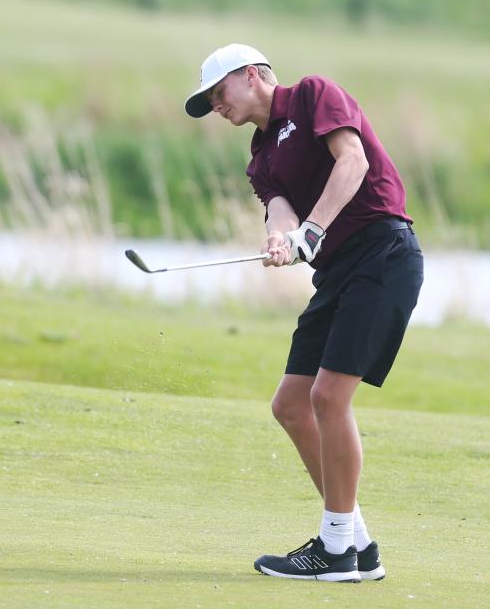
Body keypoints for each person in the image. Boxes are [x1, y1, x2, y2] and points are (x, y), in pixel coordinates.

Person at [184, 44, 424, 583]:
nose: (216, 107)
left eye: (218, 93)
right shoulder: (259, 155)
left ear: (251, 76)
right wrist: (280, 236)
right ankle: (357, 543)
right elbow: (280, 208)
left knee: (327, 396)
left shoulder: (313, 94)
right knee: (291, 404)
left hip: (383, 255)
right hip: (339, 273)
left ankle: (335, 549)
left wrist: (310, 231)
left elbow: (353, 161)